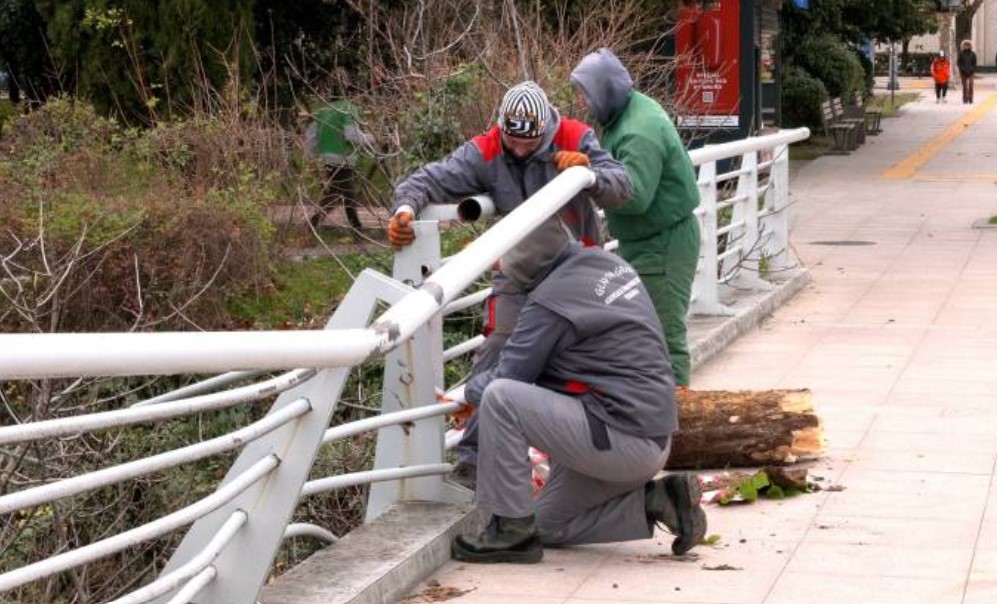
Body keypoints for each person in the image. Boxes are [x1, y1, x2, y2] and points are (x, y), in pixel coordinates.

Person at [388, 81, 633, 490]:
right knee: (499, 350)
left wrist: (588, 175)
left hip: (575, 270)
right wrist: (404, 210)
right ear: (502, 128)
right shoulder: (487, 149)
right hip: (518, 272)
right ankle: (474, 457)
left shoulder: (574, 137)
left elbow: (622, 184)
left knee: (580, 359)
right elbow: (428, 179)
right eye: (512, 141)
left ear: (546, 131)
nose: (519, 150)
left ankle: (592, 454)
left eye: (529, 143)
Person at [450, 219, 707, 564]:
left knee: (500, 397)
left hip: (619, 439)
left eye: (503, 261)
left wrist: (463, 394)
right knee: (545, 526)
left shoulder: (551, 302)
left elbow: (508, 377)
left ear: (523, 263)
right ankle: (660, 500)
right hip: (649, 437)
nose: (499, 270)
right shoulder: (605, 263)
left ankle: (510, 531)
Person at [569, 48, 701, 390]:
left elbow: (635, 195)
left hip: (662, 244)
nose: (584, 102)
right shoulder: (631, 110)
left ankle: (676, 422)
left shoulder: (636, 132)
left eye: (586, 94)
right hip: (649, 240)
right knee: (644, 333)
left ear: (604, 91)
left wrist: (591, 179)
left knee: (663, 334)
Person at [305, 99, 371, 231]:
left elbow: (310, 136)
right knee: (346, 192)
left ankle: (314, 223)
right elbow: (352, 135)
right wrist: (373, 139)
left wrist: (313, 155)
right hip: (343, 157)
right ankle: (356, 228)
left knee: (336, 192)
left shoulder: (323, 109)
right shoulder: (349, 108)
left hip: (326, 157)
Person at [957, 40, 977, 104]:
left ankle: (970, 98)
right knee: (965, 86)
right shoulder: (961, 53)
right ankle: (965, 99)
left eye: (968, 45)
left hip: (971, 72)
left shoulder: (973, 54)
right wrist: (961, 69)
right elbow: (958, 63)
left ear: (970, 46)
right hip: (963, 72)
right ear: (963, 46)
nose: (966, 46)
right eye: (965, 45)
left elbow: (974, 63)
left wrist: (972, 69)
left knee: (971, 85)